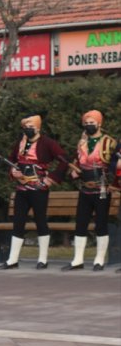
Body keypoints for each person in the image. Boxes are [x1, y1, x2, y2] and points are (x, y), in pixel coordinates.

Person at [0, 114, 67, 270]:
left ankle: (43, 259)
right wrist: (13, 172)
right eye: (26, 127)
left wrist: (51, 178)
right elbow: (12, 160)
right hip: (21, 188)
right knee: (18, 221)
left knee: (40, 221)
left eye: (31, 127)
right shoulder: (20, 143)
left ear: (38, 127)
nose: (28, 130)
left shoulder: (48, 143)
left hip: (39, 188)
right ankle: (12, 259)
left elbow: (64, 160)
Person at [62, 110, 117, 271]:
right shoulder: (82, 142)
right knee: (81, 223)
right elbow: (77, 162)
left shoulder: (109, 142)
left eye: (92, 123)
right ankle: (77, 260)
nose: (88, 125)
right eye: (86, 123)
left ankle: (99, 260)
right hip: (85, 187)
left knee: (101, 223)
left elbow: (114, 165)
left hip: (101, 188)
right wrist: (74, 171)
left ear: (99, 124)